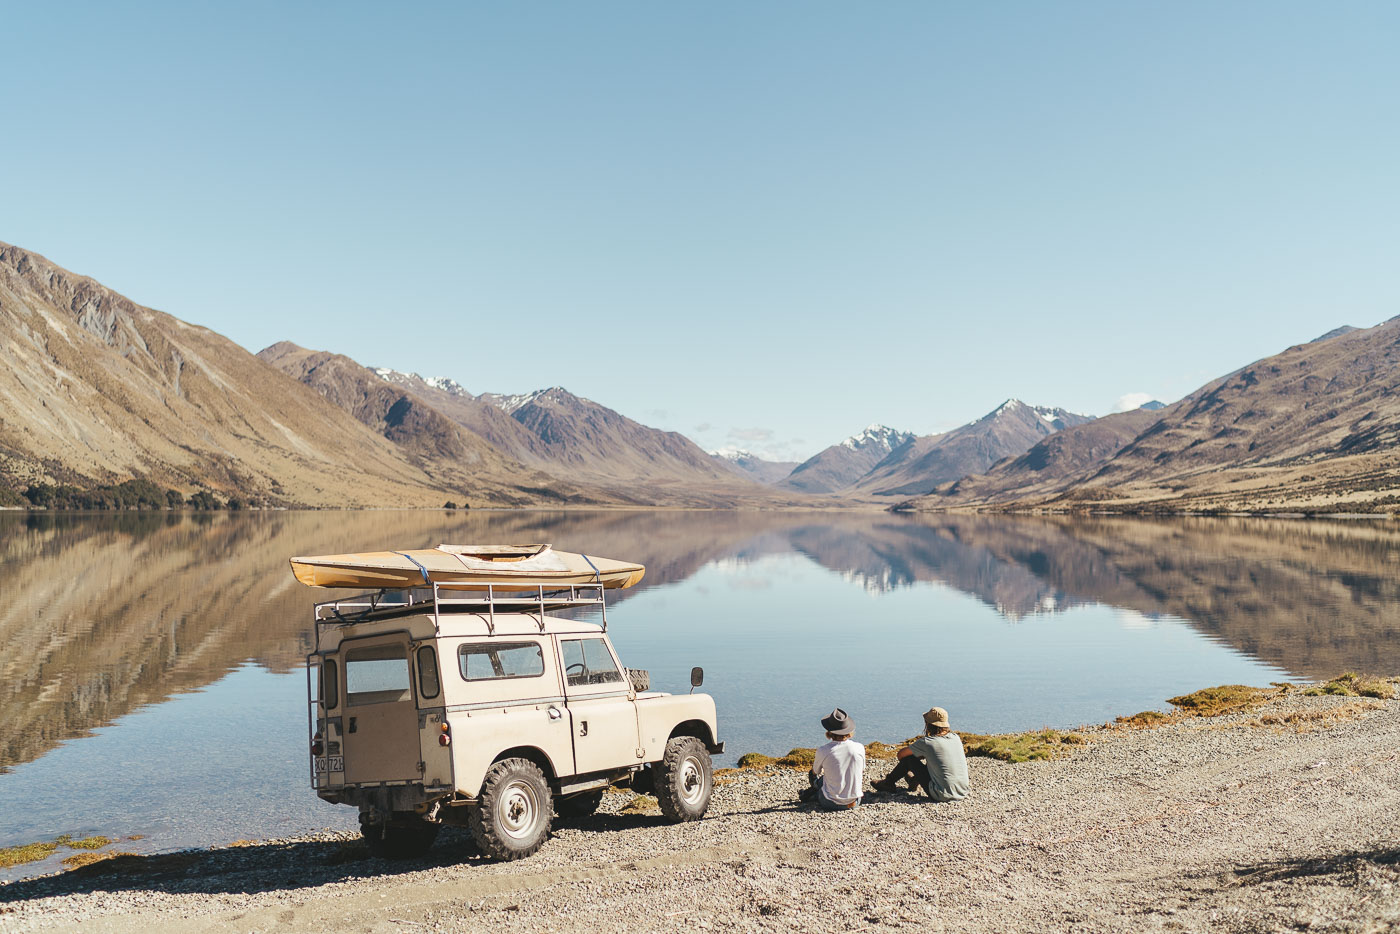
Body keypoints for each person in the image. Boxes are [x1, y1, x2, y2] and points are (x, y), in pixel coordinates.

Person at [871, 706, 970, 802]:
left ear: (929, 724)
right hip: (962, 791)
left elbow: (901, 755)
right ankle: (913, 781)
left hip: (941, 794)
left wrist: (919, 755)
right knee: (934, 759)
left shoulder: (928, 742)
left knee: (909, 759)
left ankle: (888, 783)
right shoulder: (956, 738)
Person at [798, 708, 866, 811]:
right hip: (855, 802)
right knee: (825, 779)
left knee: (817, 779)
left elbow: (815, 772)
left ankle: (810, 794)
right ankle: (810, 793)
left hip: (830, 803)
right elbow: (862, 769)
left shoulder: (824, 750)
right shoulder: (860, 747)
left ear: (829, 731)